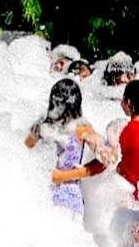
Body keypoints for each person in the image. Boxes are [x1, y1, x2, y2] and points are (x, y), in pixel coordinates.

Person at [53, 80, 139, 195]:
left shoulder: (124, 129)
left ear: (129, 102)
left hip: (128, 197)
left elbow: (105, 162)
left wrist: (62, 176)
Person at [26, 79, 98, 215]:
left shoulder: (82, 128)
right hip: (40, 191)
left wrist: (65, 175)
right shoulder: (42, 125)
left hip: (68, 194)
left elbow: (106, 161)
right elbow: (22, 152)